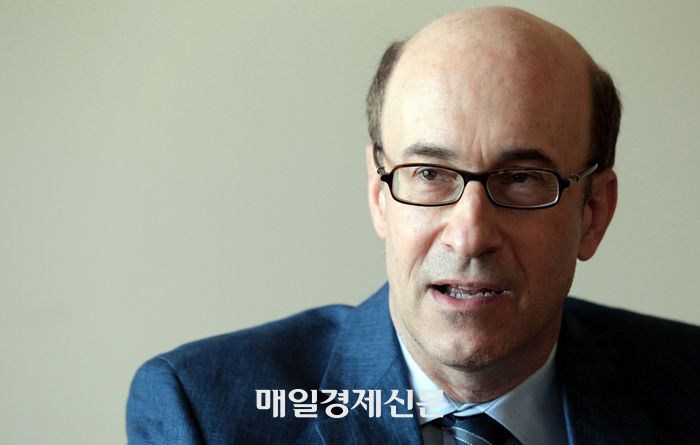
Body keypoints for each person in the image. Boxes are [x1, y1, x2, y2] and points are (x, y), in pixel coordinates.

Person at [126, 6, 700, 444]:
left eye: (524, 179)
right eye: (428, 174)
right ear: (379, 194)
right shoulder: (204, 410)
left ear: (593, 212)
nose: (470, 235)